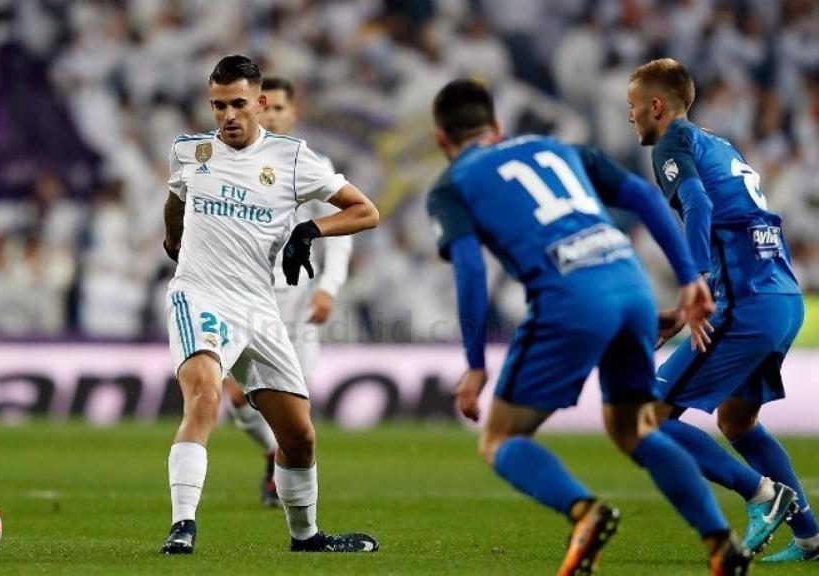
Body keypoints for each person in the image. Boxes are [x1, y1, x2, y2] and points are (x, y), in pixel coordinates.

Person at [427, 78, 750, 575]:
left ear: (441, 141)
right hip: (632, 288)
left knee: (500, 439)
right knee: (636, 429)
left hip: (568, 300)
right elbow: (643, 197)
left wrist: (474, 365)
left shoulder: (451, 185)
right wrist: (689, 277)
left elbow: (470, 269)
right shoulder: (558, 147)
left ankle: (585, 512)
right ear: (496, 125)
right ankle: (718, 539)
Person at [159, 55, 379, 555]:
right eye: (218, 106)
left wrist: (310, 228)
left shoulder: (294, 158)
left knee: (299, 437)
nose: (228, 116)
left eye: (238, 104)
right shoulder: (190, 152)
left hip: (261, 307)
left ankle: (306, 537)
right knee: (206, 396)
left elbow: (366, 211)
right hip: (200, 293)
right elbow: (175, 197)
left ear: (259, 103)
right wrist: (173, 237)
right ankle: (182, 524)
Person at [628, 58, 815, 562]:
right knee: (737, 422)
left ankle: (762, 494)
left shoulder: (671, 143)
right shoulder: (717, 142)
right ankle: (811, 536)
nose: (630, 118)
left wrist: (695, 284)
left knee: (646, 416)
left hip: (746, 301)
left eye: (633, 108)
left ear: (656, 106)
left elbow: (698, 204)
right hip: (781, 295)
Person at [220, 76, 353, 507]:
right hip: (246, 297)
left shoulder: (310, 161)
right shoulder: (232, 160)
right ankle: (272, 454)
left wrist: (329, 288)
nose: (273, 115)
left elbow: (342, 230)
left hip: (296, 302)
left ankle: (286, 477)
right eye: (267, 107)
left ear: (294, 113)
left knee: (292, 403)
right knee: (238, 397)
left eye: (281, 108)